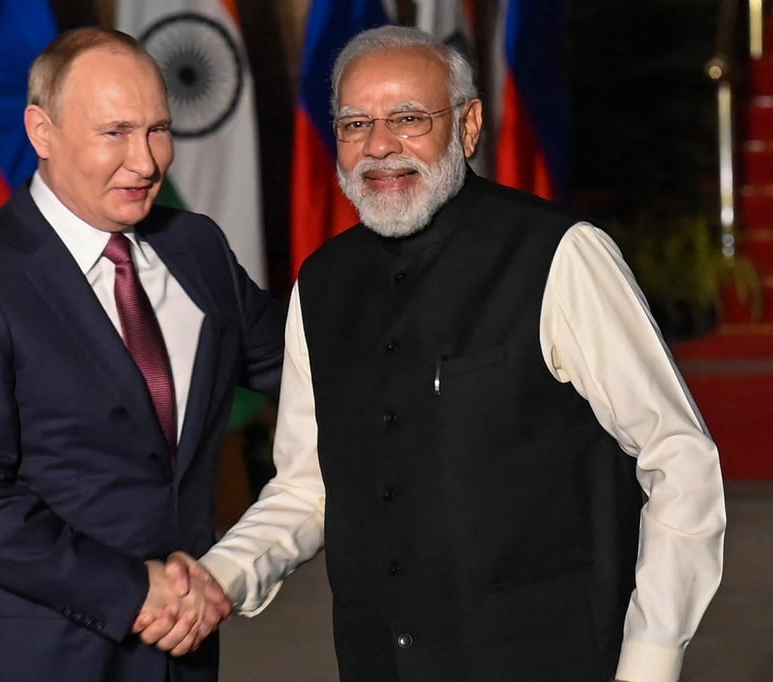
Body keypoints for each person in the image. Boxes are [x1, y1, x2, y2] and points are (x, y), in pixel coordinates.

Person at [182, 25, 725, 682]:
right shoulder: (319, 285)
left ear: (467, 127)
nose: (380, 146)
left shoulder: (559, 255)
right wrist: (217, 578)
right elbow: (309, 486)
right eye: (355, 124)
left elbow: (680, 459)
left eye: (409, 119)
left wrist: (651, 658)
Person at [0, 27, 283, 682]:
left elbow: (304, 368)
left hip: (178, 655)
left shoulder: (196, 248)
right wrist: (134, 590)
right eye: (115, 132)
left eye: (158, 130)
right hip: (25, 656)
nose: (145, 162)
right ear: (41, 131)